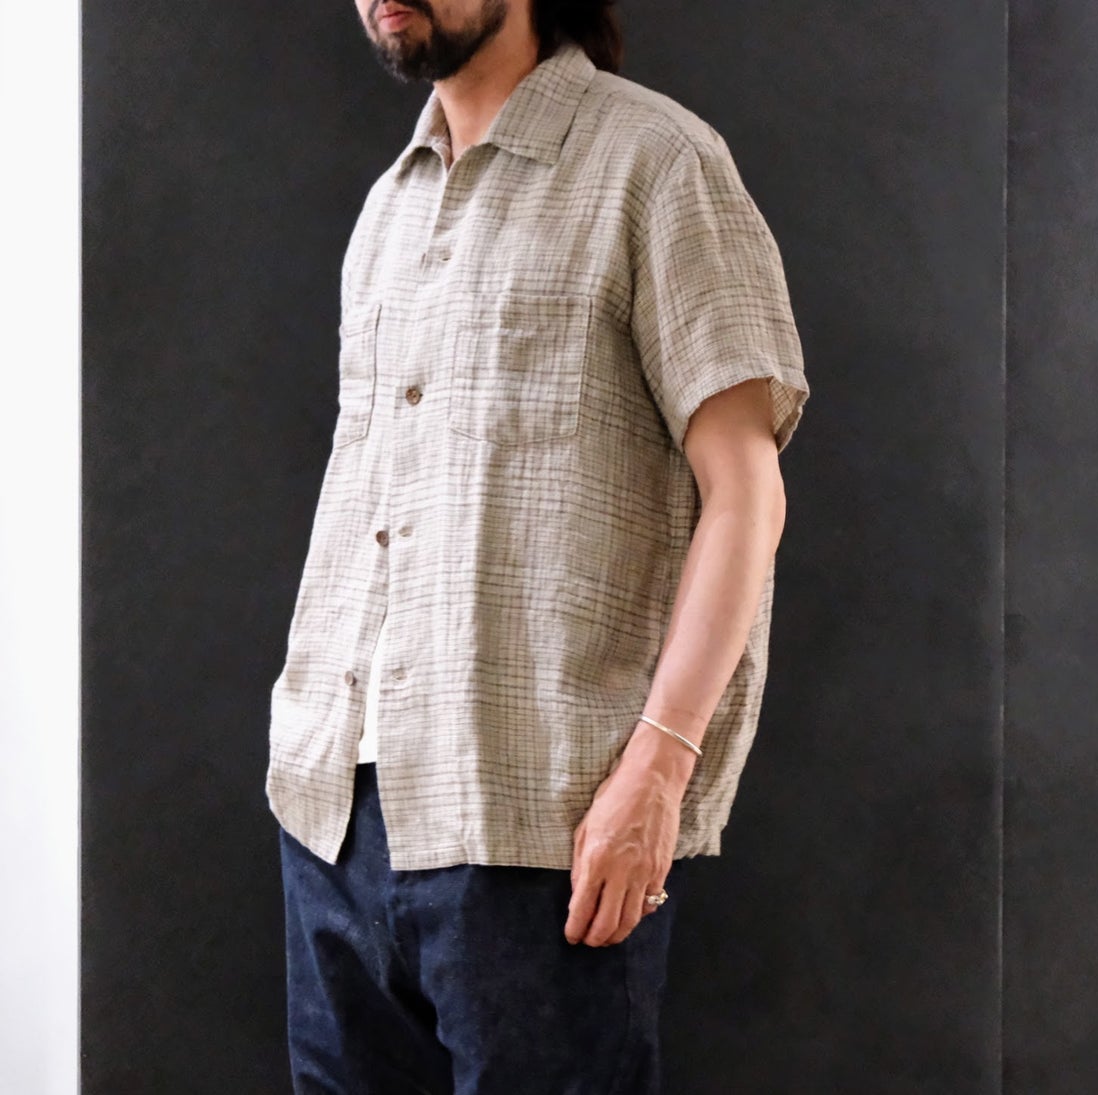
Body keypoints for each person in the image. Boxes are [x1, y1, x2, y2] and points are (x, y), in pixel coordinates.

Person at [265, 0, 810, 1090]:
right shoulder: (386, 210)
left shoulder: (656, 163)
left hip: (543, 828)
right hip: (334, 822)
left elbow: (746, 493)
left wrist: (659, 771)